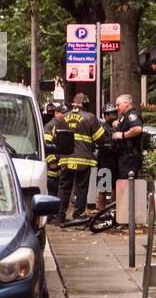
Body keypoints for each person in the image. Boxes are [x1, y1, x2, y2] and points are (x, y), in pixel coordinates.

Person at [55, 93, 106, 224]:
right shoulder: (90, 118)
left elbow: (56, 137)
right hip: (84, 160)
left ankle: (60, 216)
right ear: (85, 104)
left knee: (64, 187)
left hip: (66, 160)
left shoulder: (62, 117)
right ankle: (77, 215)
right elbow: (100, 139)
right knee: (82, 188)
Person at [112, 93, 145, 181]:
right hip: (124, 157)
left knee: (127, 185)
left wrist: (122, 135)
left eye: (118, 105)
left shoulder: (132, 115)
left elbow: (137, 129)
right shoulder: (125, 117)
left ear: (126, 104)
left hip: (129, 157)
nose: (116, 108)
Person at [44, 102, 64, 197]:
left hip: (62, 166)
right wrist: (52, 161)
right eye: (62, 113)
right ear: (56, 113)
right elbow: (47, 145)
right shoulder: (50, 126)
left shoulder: (64, 124)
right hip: (53, 168)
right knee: (52, 193)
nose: (64, 115)